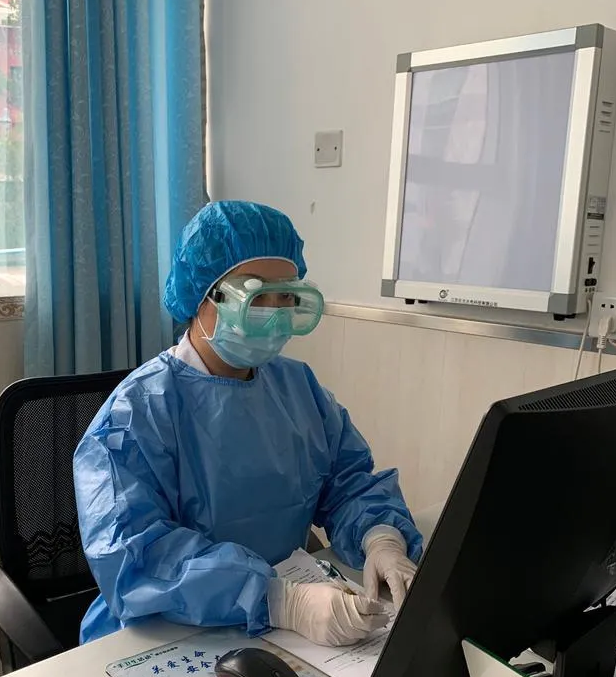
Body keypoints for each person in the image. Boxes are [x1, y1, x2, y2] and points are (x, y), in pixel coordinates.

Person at [74, 200, 421, 647]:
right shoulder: (136, 415)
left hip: (290, 625)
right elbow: (135, 555)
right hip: (166, 630)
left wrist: (381, 538)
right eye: (256, 296)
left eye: (286, 296)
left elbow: (348, 482)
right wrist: (279, 600)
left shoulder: (297, 388)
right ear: (203, 296)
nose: (274, 314)